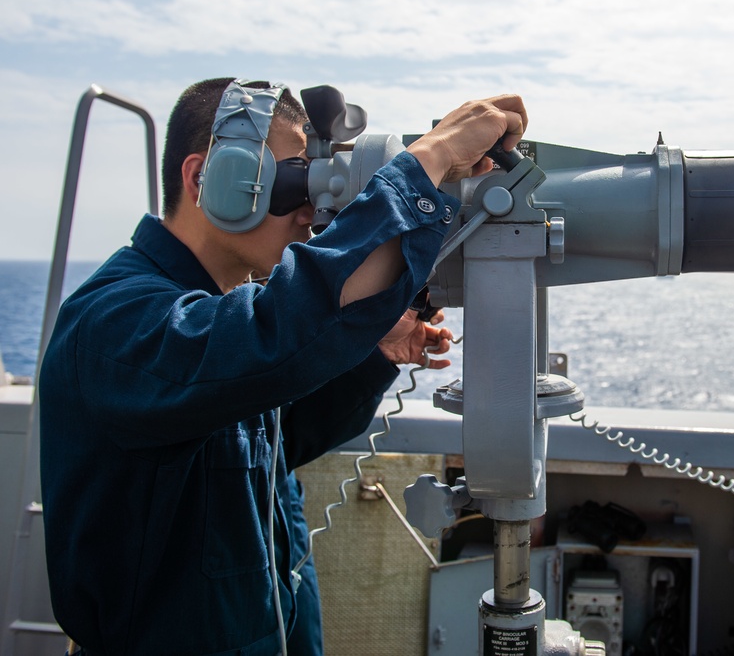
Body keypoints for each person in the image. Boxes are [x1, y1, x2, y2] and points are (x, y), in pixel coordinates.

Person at [38, 77, 527, 655]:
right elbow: (272, 334)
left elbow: (280, 435)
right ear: (203, 178)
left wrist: (371, 353)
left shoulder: (219, 322)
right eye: (293, 180)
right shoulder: (114, 324)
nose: (310, 209)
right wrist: (432, 158)